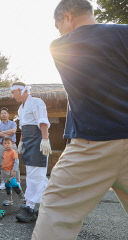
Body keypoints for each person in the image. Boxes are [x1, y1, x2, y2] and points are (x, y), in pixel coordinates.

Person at [32, 1, 128, 239]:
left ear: (67, 17)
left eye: (59, 26)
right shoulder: (124, 33)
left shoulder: (60, 46)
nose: (60, 32)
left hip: (94, 143)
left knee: (56, 210)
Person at [11, 82, 51, 223]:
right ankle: (52, 204)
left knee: (36, 176)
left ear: (22, 90)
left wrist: (45, 139)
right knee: (32, 175)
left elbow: (43, 122)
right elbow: (22, 127)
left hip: (38, 140)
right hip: (28, 141)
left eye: (14, 91)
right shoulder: (21, 108)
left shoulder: (36, 102)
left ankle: (30, 207)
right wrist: (21, 142)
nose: (13, 95)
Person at [0, 107, 19, 190]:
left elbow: (13, 131)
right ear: (0, 115)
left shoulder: (13, 123)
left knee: (15, 162)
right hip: (2, 146)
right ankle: (4, 182)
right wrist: (7, 133)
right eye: (2, 113)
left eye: (5, 113)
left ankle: (17, 181)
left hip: (12, 145)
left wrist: (2, 133)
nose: (3, 114)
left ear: (8, 114)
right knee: (3, 164)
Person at [0, 137, 24, 206]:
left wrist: (14, 170)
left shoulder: (13, 152)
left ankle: (23, 199)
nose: (7, 145)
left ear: (12, 144)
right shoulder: (4, 152)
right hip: (5, 172)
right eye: (5, 143)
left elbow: (16, 162)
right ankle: (9, 199)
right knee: (7, 185)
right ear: (3, 145)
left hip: (11, 172)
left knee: (14, 184)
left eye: (8, 143)